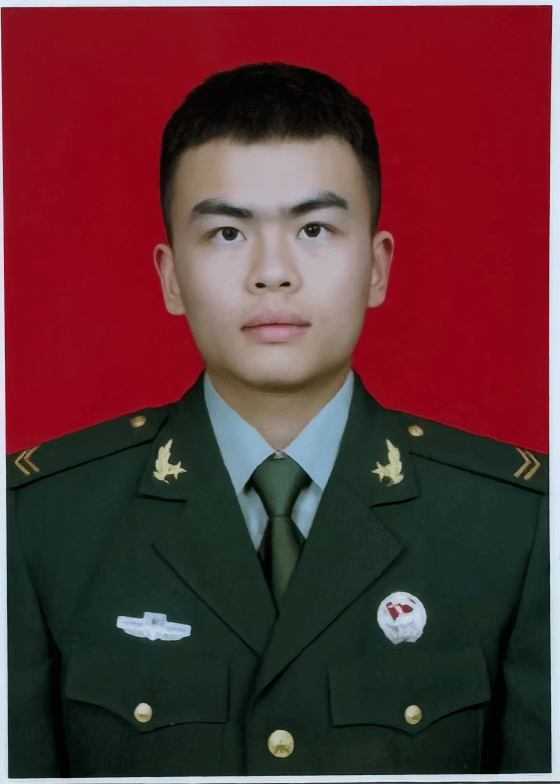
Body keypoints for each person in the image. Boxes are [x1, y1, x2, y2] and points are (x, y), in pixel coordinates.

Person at [7, 62, 549, 777]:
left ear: (377, 266)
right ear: (171, 276)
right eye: (227, 233)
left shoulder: (517, 526)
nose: (272, 271)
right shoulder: (39, 523)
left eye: (315, 228)